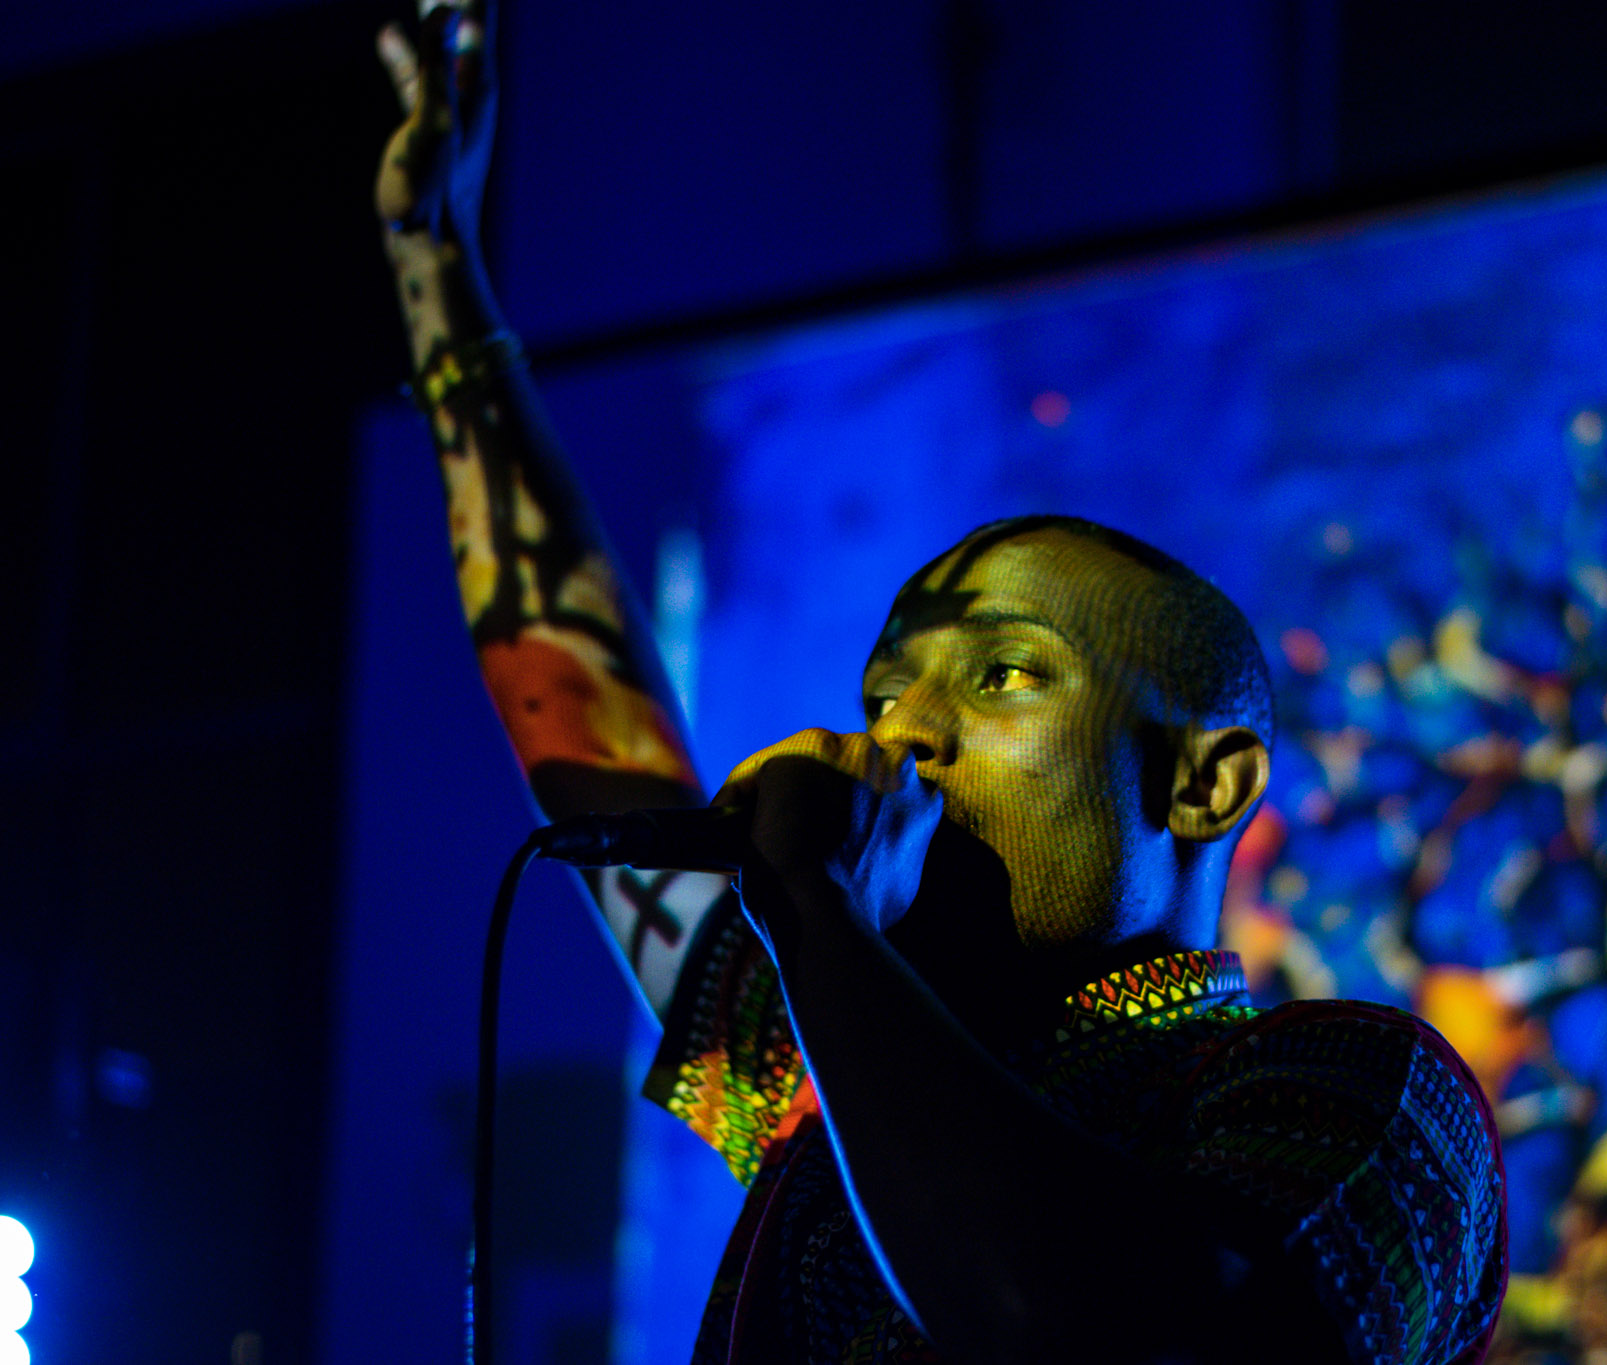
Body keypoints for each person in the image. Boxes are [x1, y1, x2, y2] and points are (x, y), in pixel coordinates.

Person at [373, 5, 1508, 1361]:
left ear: (1205, 782)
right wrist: (440, 282)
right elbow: (595, 737)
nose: (904, 735)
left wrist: (818, 913)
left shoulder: (1358, 1095)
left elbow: (1097, 1329)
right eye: (884, 697)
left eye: (1005, 672)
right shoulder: (822, 1056)